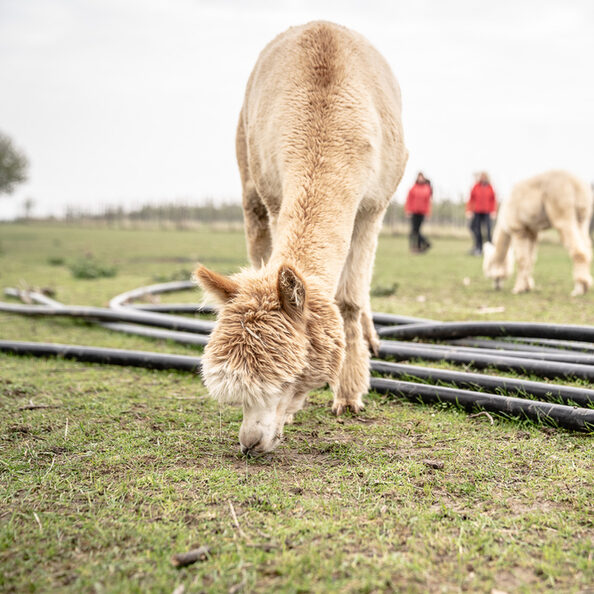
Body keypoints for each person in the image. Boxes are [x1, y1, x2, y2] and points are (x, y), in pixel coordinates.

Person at [466, 172, 497, 255]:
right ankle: (478, 247)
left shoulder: (490, 187)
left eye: (484, 176)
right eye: (481, 176)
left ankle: (491, 248)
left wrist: (493, 211)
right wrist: (469, 210)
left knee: (489, 230)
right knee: (476, 229)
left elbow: (493, 200)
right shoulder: (476, 186)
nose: (483, 178)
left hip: (487, 212)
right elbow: (471, 199)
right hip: (477, 211)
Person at [405, 172, 432, 253]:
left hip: (422, 212)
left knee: (417, 230)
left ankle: (423, 244)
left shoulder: (426, 188)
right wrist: (408, 210)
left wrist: (428, 212)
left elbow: (428, 202)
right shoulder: (413, 188)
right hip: (414, 212)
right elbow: (409, 200)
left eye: (421, 177)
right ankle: (420, 245)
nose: (420, 179)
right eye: (419, 177)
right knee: (414, 231)